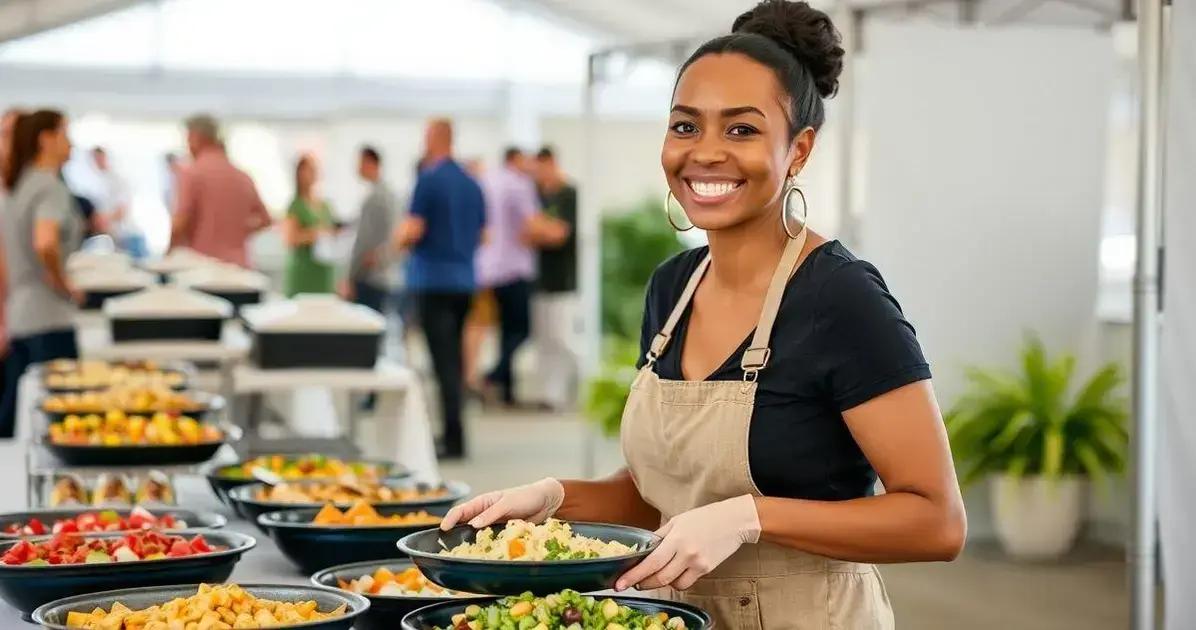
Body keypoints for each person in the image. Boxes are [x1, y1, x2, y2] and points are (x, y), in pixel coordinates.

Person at [440, 2, 966, 627]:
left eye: (741, 130)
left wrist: (751, 516)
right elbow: (658, 497)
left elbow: (936, 522)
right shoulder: (673, 288)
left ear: (798, 150)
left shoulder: (840, 298)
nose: (705, 152)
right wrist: (550, 499)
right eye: (685, 126)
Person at [393, 118, 485, 459]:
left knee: (443, 362)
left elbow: (411, 230)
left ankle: (453, 438)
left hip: (433, 281)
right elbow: (482, 234)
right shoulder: (472, 183)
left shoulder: (428, 179)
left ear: (434, 138)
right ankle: (455, 432)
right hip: (464, 281)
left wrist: (397, 244)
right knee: (455, 361)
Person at [0, 110, 85, 438]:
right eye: (65, 133)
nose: (71, 143)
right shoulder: (49, 187)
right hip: (49, 317)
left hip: (22, 315)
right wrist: (62, 283)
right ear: (45, 139)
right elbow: (45, 242)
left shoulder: (16, 186)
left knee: (13, 418)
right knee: (60, 424)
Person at [476, 147, 540, 406]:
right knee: (522, 329)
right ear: (515, 160)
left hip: (490, 267)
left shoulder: (488, 182)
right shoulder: (519, 185)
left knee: (505, 330)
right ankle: (493, 375)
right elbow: (531, 224)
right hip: (515, 267)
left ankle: (507, 391)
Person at [171, 114, 271, 267]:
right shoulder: (243, 177)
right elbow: (265, 220)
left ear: (196, 137)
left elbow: (180, 223)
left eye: (188, 139)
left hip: (202, 268)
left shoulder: (192, 173)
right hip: (239, 267)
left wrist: (169, 254)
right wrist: (237, 231)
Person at [529, 146, 578, 410]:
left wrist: (540, 231)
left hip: (564, 279)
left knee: (563, 338)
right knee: (545, 341)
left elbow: (560, 234)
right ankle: (550, 395)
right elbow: (525, 233)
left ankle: (578, 384)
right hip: (540, 279)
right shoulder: (537, 195)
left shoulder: (568, 194)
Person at [343, 146, 398, 312]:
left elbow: (363, 241)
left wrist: (350, 277)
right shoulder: (390, 195)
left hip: (368, 278)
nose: (357, 168)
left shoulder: (374, 198)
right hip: (385, 276)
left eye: (360, 162)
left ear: (370, 163)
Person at [282, 154, 336, 296]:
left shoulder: (325, 206)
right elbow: (289, 239)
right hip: (304, 270)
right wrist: (313, 234)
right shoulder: (295, 206)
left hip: (323, 270)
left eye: (314, 169)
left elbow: (331, 232)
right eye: (308, 170)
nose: (312, 173)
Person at [91, 147, 147, 259]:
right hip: (116, 238)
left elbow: (122, 210)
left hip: (130, 237)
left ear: (104, 157)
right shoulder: (102, 180)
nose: (96, 162)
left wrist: (102, 220)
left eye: (97, 158)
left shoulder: (118, 178)